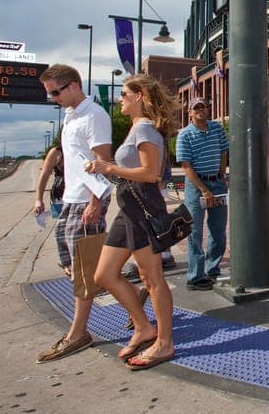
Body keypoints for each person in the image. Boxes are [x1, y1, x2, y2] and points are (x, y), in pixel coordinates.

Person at [87, 74, 180, 370]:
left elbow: (151, 174)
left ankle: (164, 343)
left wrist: (109, 166)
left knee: (152, 278)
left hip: (142, 206)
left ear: (140, 96)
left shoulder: (147, 130)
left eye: (125, 94)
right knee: (103, 275)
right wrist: (105, 170)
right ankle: (143, 327)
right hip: (127, 205)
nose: (120, 99)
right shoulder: (135, 129)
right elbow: (132, 171)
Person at [35, 64, 112, 364]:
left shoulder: (94, 116)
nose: (53, 98)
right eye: (49, 94)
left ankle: (78, 333)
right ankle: (134, 294)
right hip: (71, 198)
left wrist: (95, 202)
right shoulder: (71, 117)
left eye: (55, 92)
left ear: (73, 86)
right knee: (75, 262)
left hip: (87, 200)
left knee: (84, 266)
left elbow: (102, 161)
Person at [175, 97, 230, 291]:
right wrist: (204, 190)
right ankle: (195, 276)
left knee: (218, 229)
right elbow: (186, 166)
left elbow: (224, 151)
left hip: (217, 183)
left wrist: (222, 175)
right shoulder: (185, 135)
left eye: (203, 107)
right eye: (196, 108)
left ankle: (212, 269)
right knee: (195, 231)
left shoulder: (216, 128)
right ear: (190, 112)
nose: (200, 110)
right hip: (195, 185)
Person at [33, 144, 69, 277]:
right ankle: (66, 261)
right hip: (60, 195)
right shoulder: (56, 152)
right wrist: (38, 199)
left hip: (80, 194)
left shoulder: (83, 146)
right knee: (62, 228)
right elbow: (44, 175)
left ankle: (76, 260)